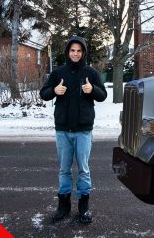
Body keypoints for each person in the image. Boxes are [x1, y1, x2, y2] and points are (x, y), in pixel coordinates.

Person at [40, 36, 107, 224]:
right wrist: (54, 91)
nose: (75, 53)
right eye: (72, 50)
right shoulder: (58, 73)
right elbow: (43, 93)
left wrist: (91, 89)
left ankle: (84, 207)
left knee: (84, 170)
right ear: (67, 52)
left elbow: (102, 95)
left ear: (83, 52)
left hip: (83, 130)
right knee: (64, 170)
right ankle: (63, 206)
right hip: (63, 130)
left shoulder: (91, 73)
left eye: (79, 51)